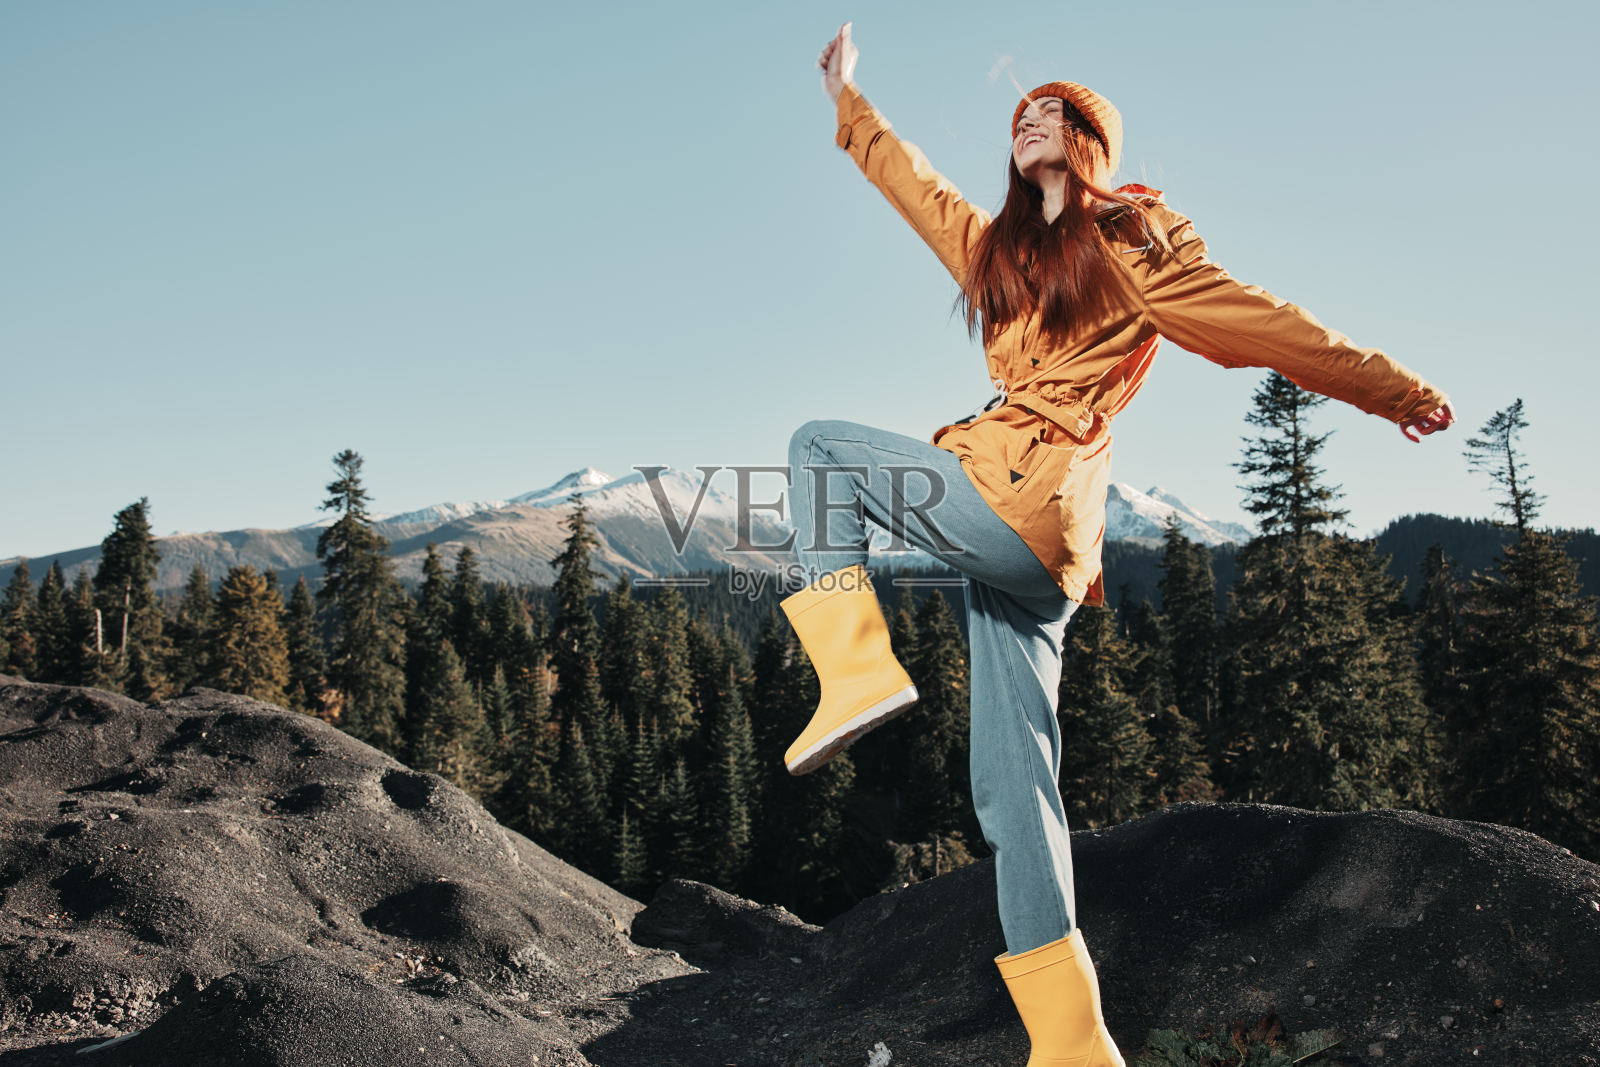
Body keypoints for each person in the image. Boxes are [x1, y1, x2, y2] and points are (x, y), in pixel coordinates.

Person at [777, 22, 1454, 1067]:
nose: (1025, 119)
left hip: (1023, 497)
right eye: (1017, 115)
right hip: (1040, 545)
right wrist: (849, 108)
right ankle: (1073, 1040)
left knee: (820, 447)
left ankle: (856, 668)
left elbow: (1262, 324)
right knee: (1014, 788)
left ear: (1090, 139)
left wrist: (1389, 387)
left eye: (1049, 110)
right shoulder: (1002, 253)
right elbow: (915, 190)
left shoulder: (1132, 247)